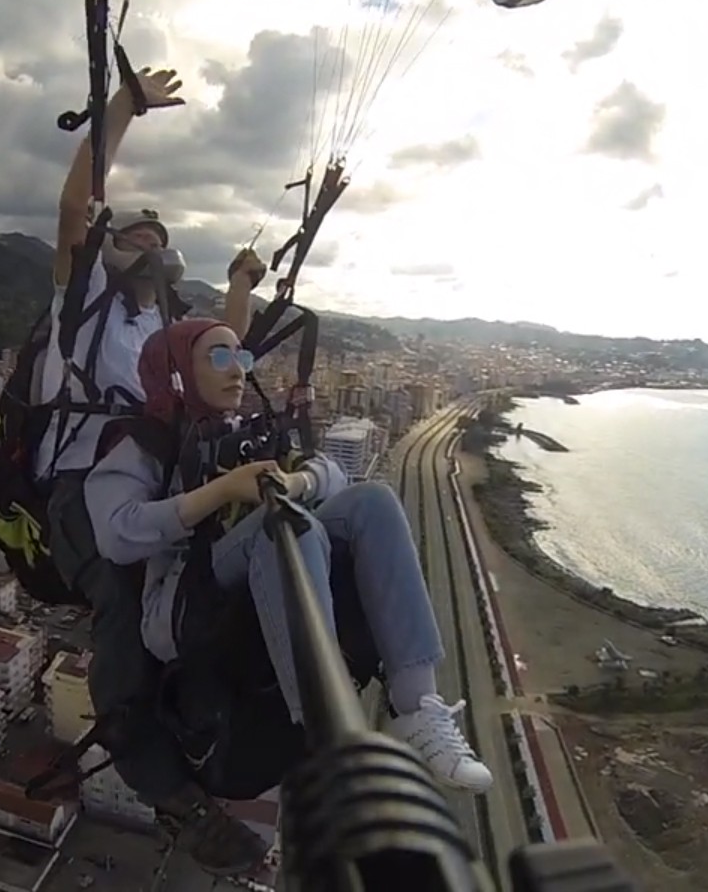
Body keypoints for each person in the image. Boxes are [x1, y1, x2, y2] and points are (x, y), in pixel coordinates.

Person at [85, 318, 495, 794]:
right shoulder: (144, 445)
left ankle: (417, 705)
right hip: (177, 604)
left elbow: (333, 473)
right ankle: (329, 729)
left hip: (243, 574)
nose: (237, 370)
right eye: (218, 357)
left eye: (241, 358)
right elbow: (116, 534)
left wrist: (297, 482)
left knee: (374, 500)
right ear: (176, 372)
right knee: (282, 523)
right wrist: (221, 492)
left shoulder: (241, 433)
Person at [39, 67, 270, 875]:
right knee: (126, 590)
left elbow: (222, 350)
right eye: (138, 236)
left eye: (161, 242)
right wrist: (124, 107)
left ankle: (227, 719)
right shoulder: (84, 306)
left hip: (155, 480)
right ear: (109, 248)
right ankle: (162, 785)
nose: (153, 245)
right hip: (79, 490)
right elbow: (74, 208)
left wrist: (240, 284)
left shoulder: (160, 326)